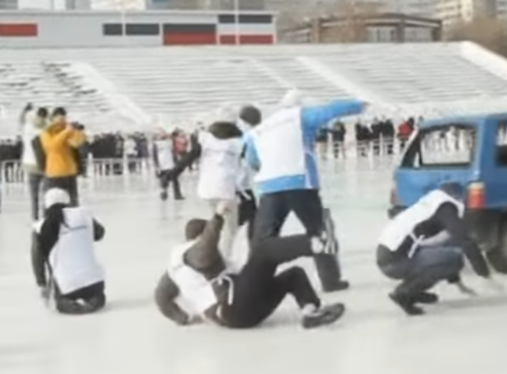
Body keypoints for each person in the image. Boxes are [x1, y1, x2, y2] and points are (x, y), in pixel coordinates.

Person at [239, 90, 365, 292]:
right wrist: (359, 105)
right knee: (319, 230)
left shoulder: (260, 129)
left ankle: (254, 281)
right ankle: (330, 280)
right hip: (300, 183)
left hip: (269, 187)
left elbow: (253, 159)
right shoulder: (301, 117)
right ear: (301, 105)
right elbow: (331, 110)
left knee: (263, 239)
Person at [154, 203, 345, 329]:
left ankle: (310, 313)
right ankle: (315, 243)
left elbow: (161, 297)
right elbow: (204, 253)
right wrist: (217, 218)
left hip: (237, 316)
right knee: (264, 252)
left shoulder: (173, 268)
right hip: (230, 304)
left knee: (293, 275)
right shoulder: (189, 251)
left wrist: (182, 318)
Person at [377, 183, 502, 315]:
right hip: (396, 261)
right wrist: (485, 276)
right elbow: (466, 242)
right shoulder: (446, 208)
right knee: (454, 257)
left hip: (387, 256)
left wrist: (460, 285)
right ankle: (404, 292)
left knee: (445, 254)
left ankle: (412, 292)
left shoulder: (428, 205)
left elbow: (442, 249)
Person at [171, 118, 246, 258]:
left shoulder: (205, 143)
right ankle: (227, 257)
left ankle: (214, 251)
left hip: (207, 189)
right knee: (231, 228)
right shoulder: (236, 144)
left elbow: (186, 159)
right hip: (225, 189)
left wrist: (171, 175)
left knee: (217, 221)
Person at [31, 188, 107, 315]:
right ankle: (95, 299)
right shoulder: (84, 215)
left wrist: (42, 284)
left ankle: (69, 304)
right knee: (96, 295)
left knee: (59, 303)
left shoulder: (40, 227)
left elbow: (37, 260)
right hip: (95, 282)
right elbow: (99, 234)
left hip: (67, 286)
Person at [40, 107, 86, 206]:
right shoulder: (47, 132)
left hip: (70, 172)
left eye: (64, 119)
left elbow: (76, 143)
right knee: (54, 204)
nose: (62, 122)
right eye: (60, 119)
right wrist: (65, 133)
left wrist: (77, 131)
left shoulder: (68, 130)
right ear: (53, 119)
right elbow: (53, 146)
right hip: (55, 173)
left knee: (73, 203)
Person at [20, 104, 49, 220]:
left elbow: (21, 121)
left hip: (30, 164)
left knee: (34, 194)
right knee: (46, 193)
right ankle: (46, 216)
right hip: (45, 165)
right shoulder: (47, 129)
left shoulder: (28, 127)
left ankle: (35, 217)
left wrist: (24, 110)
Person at [152, 130, 181, 200]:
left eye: (164, 133)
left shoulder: (170, 142)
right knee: (164, 180)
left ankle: (177, 194)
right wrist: (156, 165)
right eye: (160, 134)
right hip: (162, 164)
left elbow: (174, 152)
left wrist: (176, 162)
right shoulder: (156, 144)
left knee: (175, 179)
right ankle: (164, 192)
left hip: (171, 163)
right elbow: (154, 155)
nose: (162, 135)